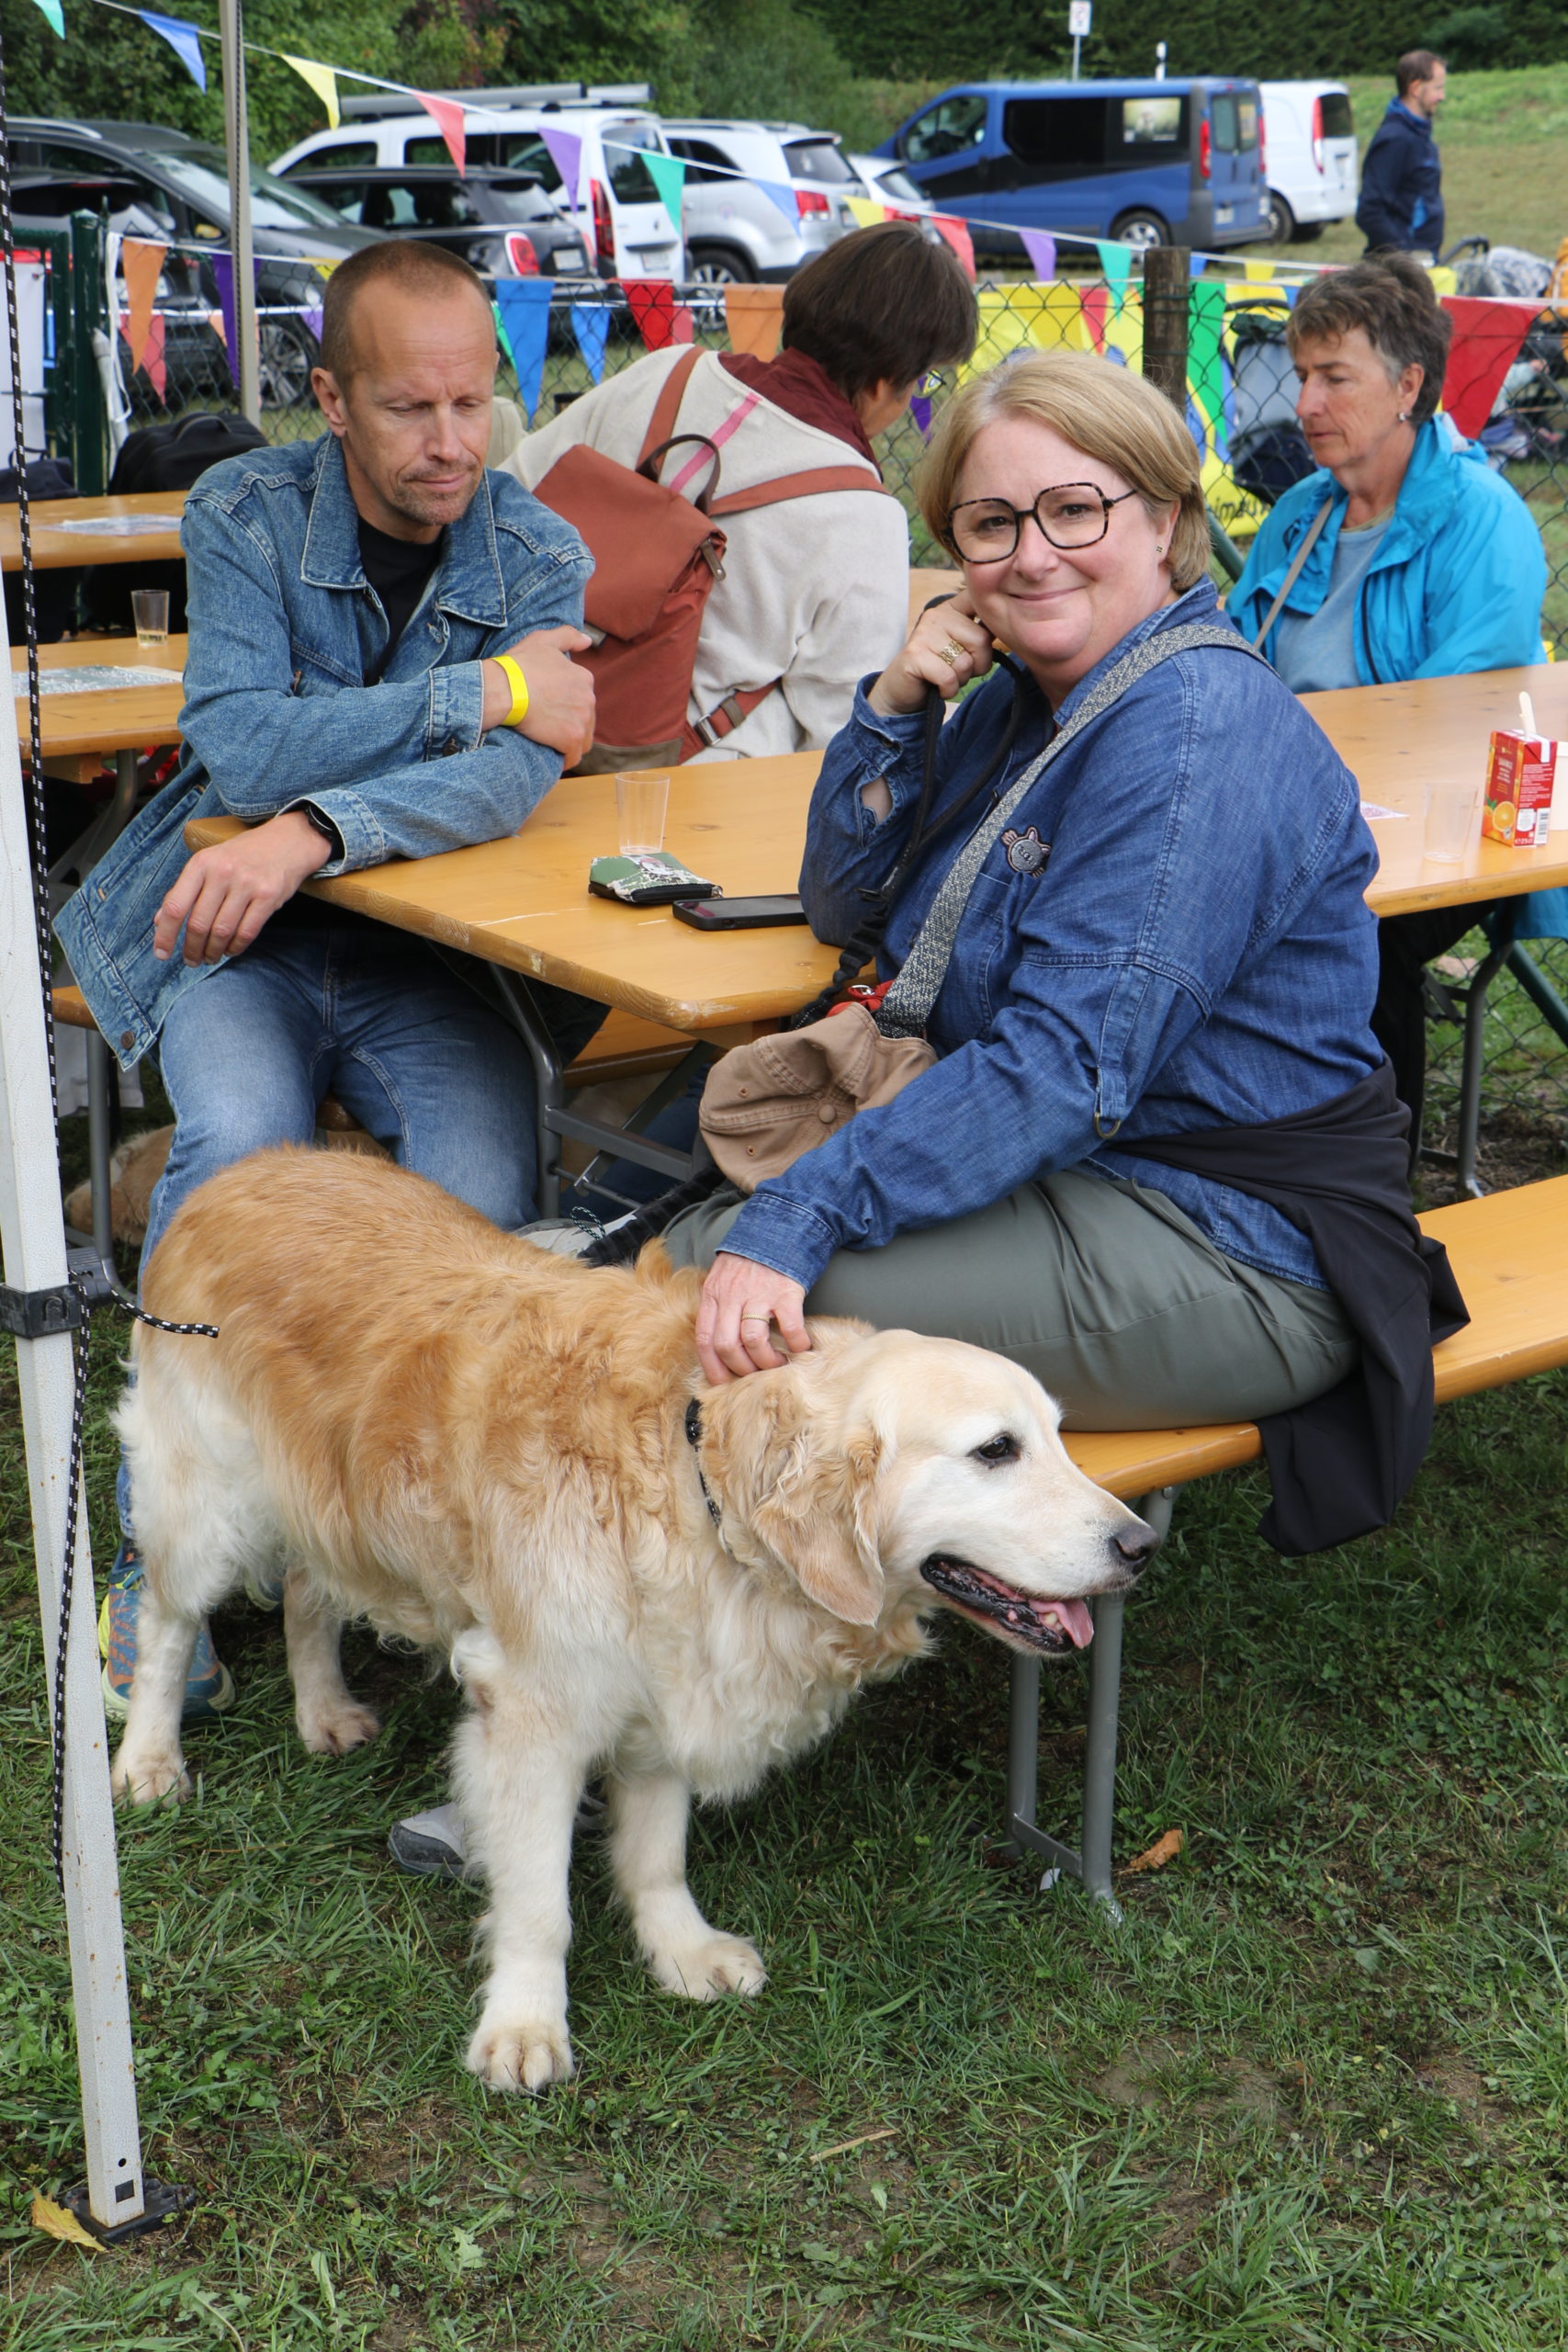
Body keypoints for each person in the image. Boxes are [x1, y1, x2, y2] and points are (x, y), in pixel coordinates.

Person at [56, 239, 598, 1723]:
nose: (452, 442)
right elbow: (238, 742)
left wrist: (310, 832)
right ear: (333, 399)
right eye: (411, 408)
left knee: (481, 1212)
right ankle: (152, 1550)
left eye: (473, 404)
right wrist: (488, 688)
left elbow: (510, 782)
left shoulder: (538, 550)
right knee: (239, 1158)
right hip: (236, 940)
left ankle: (410, 1542)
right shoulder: (244, 505)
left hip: (429, 952)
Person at [1229, 254, 1558, 1149]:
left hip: (1445, 819)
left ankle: (1373, 1178)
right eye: (1302, 375)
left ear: (1408, 385)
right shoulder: (1299, 513)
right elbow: (1230, 666)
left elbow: (1454, 724)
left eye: (1334, 378)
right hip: (1289, 802)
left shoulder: (1481, 518)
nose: (1305, 403)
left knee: (1352, 931)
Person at [504, 221, 978, 762]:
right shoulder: (864, 514)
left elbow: (509, 491)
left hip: (519, 707)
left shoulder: (665, 370)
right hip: (689, 778)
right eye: (924, 381)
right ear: (885, 379)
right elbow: (845, 728)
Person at [1357, 51, 1447, 258]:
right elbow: (1370, 211)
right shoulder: (1395, 138)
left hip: (1423, 259)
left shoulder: (1420, 135)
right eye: (1438, 88)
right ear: (1415, 88)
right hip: (1400, 266)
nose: (1442, 96)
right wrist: (1403, 255)